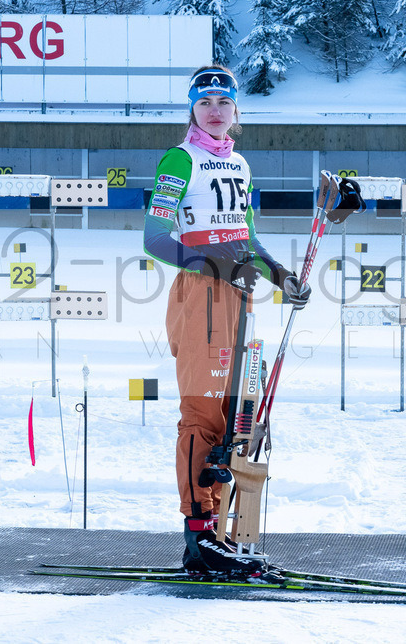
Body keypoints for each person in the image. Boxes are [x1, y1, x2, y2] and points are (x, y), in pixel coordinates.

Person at [142, 65, 311, 575]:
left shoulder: (238, 163)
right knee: (201, 414)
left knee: (234, 414)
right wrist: (217, 266)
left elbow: (246, 236)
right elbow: (154, 239)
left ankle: (218, 530)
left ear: (237, 112)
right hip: (201, 292)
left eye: (223, 101)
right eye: (204, 101)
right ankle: (198, 537)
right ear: (192, 109)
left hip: (241, 293)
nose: (214, 109)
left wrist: (279, 275)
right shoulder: (180, 158)